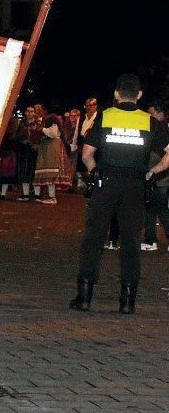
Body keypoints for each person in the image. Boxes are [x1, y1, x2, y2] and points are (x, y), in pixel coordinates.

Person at [71, 74, 169, 314]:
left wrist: (95, 173)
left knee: (93, 238)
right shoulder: (149, 122)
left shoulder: (104, 117)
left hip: (106, 184)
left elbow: (86, 154)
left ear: (116, 94)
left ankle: (84, 297)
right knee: (131, 242)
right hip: (135, 186)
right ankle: (127, 301)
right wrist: (151, 173)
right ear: (139, 95)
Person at [143, 101, 169, 251]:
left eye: (151, 113)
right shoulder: (159, 128)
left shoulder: (160, 130)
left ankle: (150, 240)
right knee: (154, 208)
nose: (149, 117)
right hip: (158, 176)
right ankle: (150, 239)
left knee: (158, 209)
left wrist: (152, 170)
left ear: (160, 113)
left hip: (160, 177)